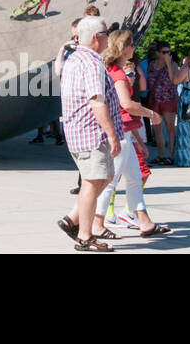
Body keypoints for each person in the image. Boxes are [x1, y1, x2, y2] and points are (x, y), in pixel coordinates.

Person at [94, 29, 171, 239]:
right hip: (120, 132)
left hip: (124, 133)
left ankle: (144, 222)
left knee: (135, 178)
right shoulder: (117, 73)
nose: (134, 49)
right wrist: (151, 113)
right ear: (123, 48)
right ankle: (97, 223)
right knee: (111, 179)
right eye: (131, 45)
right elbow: (126, 105)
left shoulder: (110, 69)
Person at [56, 16, 122, 251]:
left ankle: (72, 220)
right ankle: (85, 236)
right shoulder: (92, 62)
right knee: (92, 183)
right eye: (106, 33)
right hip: (90, 132)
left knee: (103, 178)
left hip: (80, 132)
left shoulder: (75, 58)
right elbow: (96, 101)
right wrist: (112, 135)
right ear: (97, 37)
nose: (108, 38)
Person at [146, 42, 187, 165]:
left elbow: (173, 80)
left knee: (170, 128)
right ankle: (161, 155)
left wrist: (168, 63)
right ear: (157, 52)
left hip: (169, 98)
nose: (167, 54)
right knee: (157, 129)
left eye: (168, 51)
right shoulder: (152, 64)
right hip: (156, 100)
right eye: (164, 52)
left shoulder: (173, 64)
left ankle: (171, 155)